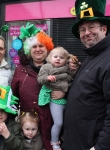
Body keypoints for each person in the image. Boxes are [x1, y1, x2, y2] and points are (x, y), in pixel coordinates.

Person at [60, 0, 110, 150]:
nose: (86, 33)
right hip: (75, 142)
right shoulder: (91, 58)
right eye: (82, 29)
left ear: (104, 29)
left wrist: (100, 147)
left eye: (91, 27)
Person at [11, 22, 55, 150]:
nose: (38, 49)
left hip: (50, 122)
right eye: (34, 46)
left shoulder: (56, 68)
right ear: (29, 50)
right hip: (28, 125)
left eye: (41, 46)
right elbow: (14, 98)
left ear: (47, 48)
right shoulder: (20, 70)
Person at [37, 46, 77, 150]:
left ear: (65, 60)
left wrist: (75, 66)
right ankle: (54, 141)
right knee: (58, 122)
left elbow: (74, 77)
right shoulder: (46, 67)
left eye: (61, 57)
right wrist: (47, 78)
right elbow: (40, 79)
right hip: (55, 100)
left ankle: (65, 138)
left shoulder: (67, 68)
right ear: (50, 58)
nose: (58, 59)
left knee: (68, 121)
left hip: (67, 98)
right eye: (55, 56)